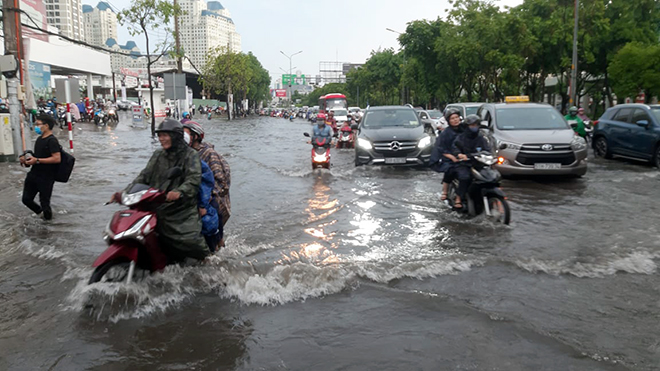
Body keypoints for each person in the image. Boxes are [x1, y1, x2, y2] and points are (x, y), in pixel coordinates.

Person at [119, 119, 208, 262]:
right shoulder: (158, 155)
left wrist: (179, 192)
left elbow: (193, 180)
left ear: (176, 136)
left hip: (180, 210)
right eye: (160, 136)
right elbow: (144, 176)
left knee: (191, 241)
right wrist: (125, 192)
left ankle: (208, 265)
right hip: (156, 204)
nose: (161, 139)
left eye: (165, 135)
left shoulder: (190, 155)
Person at [182, 121, 231, 249]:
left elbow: (220, 180)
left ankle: (217, 244)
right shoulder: (184, 153)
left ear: (195, 136)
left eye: (186, 133)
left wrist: (208, 196)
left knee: (212, 215)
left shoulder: (208, 153)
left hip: (210, 196)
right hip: (192, 195)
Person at [20, 115, 61, 220]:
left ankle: (48, 226)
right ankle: (40, 214)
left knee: (45, 203)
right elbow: (37, 157)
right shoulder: (39, 139)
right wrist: (27, 161)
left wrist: (37, 160)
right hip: (34, 174)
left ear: (46, 126)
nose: (36, 127)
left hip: (46, 177)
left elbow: (57, 158)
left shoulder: (52, 141)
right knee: (26, 199)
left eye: (38, 124)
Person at [451, 114, 490, 210]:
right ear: (467, 126)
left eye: (476, 125)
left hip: (479, 163)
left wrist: (490, 155)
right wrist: (460, 155)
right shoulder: (461, 138)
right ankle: (458, 198)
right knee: (465, 177)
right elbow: (455, 148)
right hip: (464, 163)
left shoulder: (481, 138)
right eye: (472, 125)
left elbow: (488, 150)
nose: (474, 127)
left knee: (490, 177)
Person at [429, 109, 463, 201]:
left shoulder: (464, 130)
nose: (455, 120)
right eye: (452, 118)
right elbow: (440, 148)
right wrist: (451, 157)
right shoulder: (445, 134)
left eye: (456, 117)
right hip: (449, 157)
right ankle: (445, 191)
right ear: (448, 121)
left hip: (464, 156)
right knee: (450, 170)